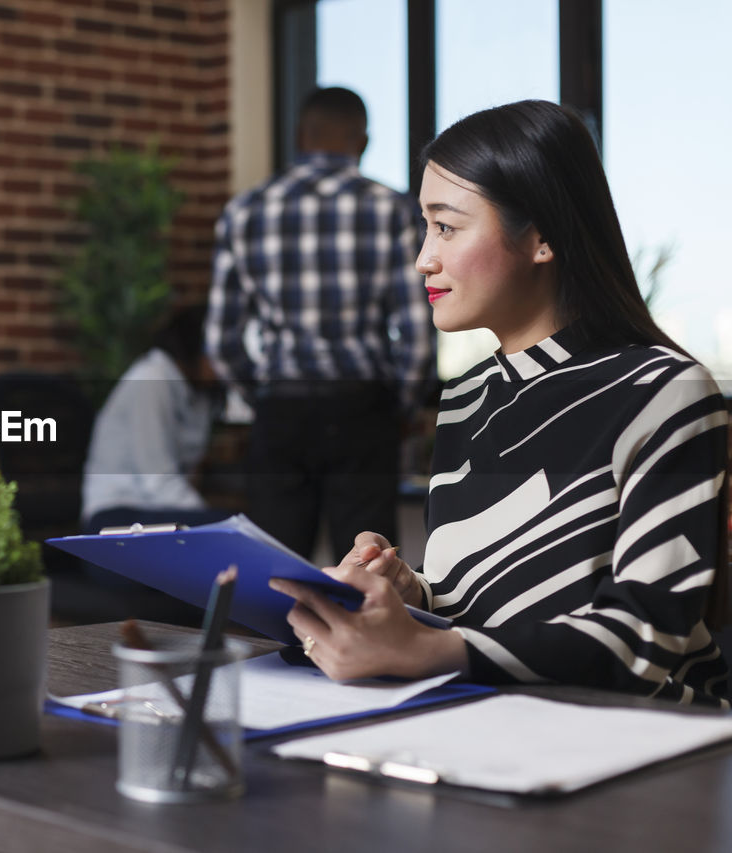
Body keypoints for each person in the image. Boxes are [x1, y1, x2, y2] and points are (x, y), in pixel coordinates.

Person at [270, 100, 730, 706]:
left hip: (648, 748)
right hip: (488, 718)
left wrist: (421, 649)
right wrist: (413, 596)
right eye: (425, 226)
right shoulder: (466, 398)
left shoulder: (665, 391)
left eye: (447, 226)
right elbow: (484, 605)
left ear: (541, 238)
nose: (422, 258)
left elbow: (646, 637)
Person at [205, 86, 436, 564]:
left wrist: (263, 393)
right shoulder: (391, 209)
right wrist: (402, 402)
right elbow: (416, 331)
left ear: (298, 136)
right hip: (361, 409)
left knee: (274, 570)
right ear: (364, 141)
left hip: (281, 411)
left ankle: (282, 643)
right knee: (370, 572)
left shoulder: (245, 211)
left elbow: (221, 340)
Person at [81, 305, 228, 533]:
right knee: (224, 528)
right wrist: (211, 524)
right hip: (116, 516)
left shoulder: (201, 394)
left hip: (158, 513)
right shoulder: (151, 380)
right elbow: (158, 482)